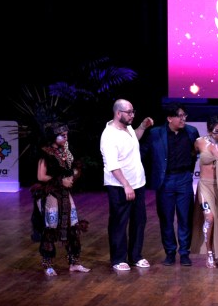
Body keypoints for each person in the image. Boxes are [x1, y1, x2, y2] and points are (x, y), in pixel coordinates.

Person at [100, 99, 155, 271]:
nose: (132, 115)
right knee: (119, 222)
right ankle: (118, 259)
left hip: (137, 183)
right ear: (118, 113)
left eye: (133, 111)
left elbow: (134, 139)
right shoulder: (109, 135)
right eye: (129, 112)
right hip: (119, 186)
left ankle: (135, 256)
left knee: (139, 220)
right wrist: (126, 185)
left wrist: (142, 127)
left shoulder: (128, 128)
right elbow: (112, 165)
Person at [32, 122, 90, 276]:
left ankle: (74, 263)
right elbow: (41, 176)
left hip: (64, 193)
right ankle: (48, 264)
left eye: (66, 135)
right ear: (53, 136)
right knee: (51, 227)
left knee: (72, 224)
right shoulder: (45, 152)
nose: (66, 138)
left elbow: (71, 169)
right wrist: (60, 180)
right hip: (51, 193)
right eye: (62, 135)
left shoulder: (66, 151)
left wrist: (73, 175)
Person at [147, 102, 200, 266]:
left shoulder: (192, 132)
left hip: (184, 178)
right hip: (165, 180)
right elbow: (147, 154)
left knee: (185, 218)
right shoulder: (156, 133)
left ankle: (184, 253)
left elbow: (195, 154)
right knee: (166, 219)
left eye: (184, 115)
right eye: (180, 116)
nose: (183, 119)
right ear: (169, 118)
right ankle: (170, 252)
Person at [192, 115, 218, 269]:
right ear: (210, 131)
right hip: (205, 186)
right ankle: (209, 253)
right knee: (209, 217)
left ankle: (217, 253)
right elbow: (190, 156)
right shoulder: (199, 142)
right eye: (217, 131)